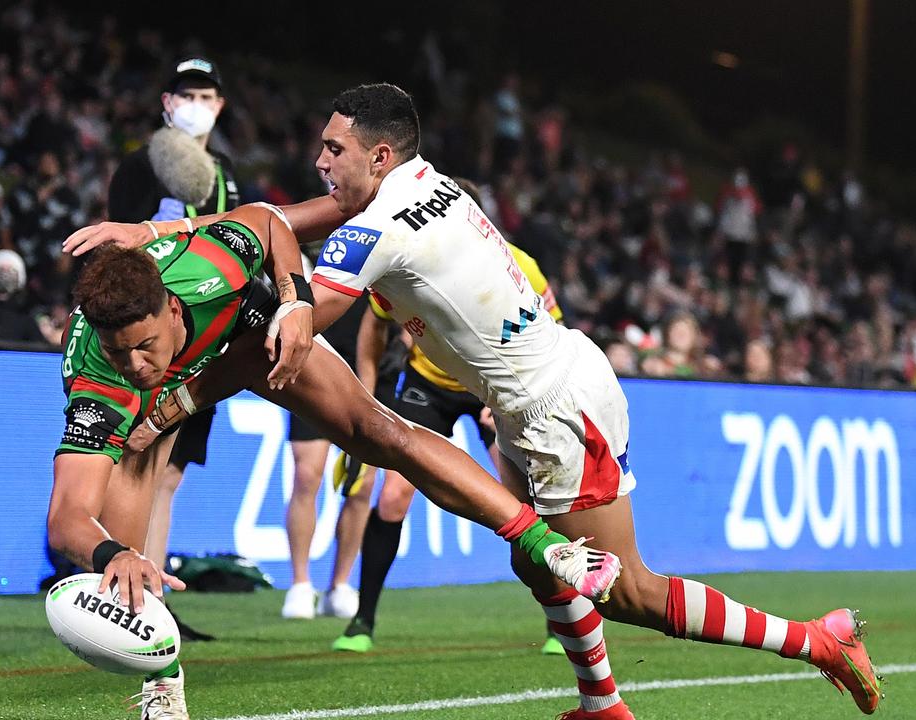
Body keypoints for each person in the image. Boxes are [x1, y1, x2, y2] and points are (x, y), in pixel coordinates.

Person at [69, 83, 880, 719]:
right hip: (551, 386)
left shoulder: (373, 231)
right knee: (541, 571)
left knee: (628, 590)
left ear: (379, 155)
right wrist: (167, 238)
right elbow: (287, 220)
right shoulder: (430, 183)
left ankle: (818, 640)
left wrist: (225, 345)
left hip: (556, 408)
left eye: (333, 148)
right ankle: (602, 702)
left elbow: (293, 328)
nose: (319, 158)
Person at [50, 204, 618, 719]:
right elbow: (68, 516)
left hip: (250, 337)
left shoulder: (210, 266)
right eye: (118, 350)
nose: (135, 362)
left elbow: (270, 222)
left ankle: (548, 546)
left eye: (144, 344)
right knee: (126, 551)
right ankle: (163, 692)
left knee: (379, 432)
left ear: (172, 307)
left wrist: (296, 302)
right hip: (158, 404)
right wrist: (112, 552)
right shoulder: (101, 380)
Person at [333, 182, 568, 655]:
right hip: (429, 387)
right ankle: (362, 620)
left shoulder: (519, 265)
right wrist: (365, 390)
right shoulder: (407, 264)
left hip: (497, 391)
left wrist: (509, 395)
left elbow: (553, 334)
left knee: (528, 500)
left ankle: (561, 621)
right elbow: (375, 325)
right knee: (394, 497)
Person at [94, 57, 241, 642]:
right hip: (151, 334)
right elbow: (113, 243)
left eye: (206, 95)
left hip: (202, 334)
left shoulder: (224, 173)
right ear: (165, 101)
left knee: (169, 474)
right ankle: (127, 593)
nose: (196, 104)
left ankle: (150, 597)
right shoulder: (139, 167)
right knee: (139, 462)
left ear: (220, 105)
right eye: (187, 95)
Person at [280, 297, 374, 620]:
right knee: (307, 475)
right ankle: (300, 583)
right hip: (315, 351)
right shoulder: (308, 250)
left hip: (369, 358)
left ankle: (340, 585)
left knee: (361, 482)